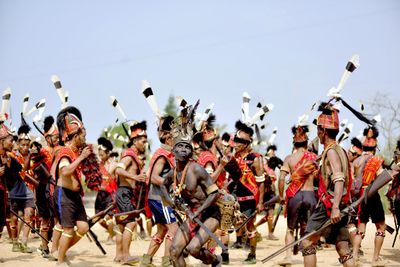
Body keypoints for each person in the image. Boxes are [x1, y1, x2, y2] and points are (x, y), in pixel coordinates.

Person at [161, 104, 222, 267]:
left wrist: (199, 212)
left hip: (210, 214)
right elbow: (162, 187)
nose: (182, 150)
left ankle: (215, 261)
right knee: (175, 251)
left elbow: (214, 193)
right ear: (173, 150)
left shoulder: (197, 170)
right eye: (179, 146)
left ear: (191, 152)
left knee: (194, 249)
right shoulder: (172, 173)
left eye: (186, 147)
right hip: (192, 215)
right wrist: (170, 201)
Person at [301, 102, 355, 267]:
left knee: (307, 242)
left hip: (330, 206)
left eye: (318, 130)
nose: (317, 134)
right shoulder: (340, 150)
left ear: (323, 131)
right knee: (342, 245)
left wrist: (336, 207)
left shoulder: (331, 152)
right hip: (339, 204)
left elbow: (339, 179)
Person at [52, 106, 91, 266]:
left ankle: (62, 250)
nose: (85, 138)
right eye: (83, 135)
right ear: (75, 136)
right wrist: (81, 158)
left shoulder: (75, 151)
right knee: (67, 229)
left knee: (83, 228)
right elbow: (65, 171)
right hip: (65, 195)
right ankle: (60, 261)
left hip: (74, 196)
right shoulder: (65, 152)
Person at [277, 124, 318, 265]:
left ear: (294, 143)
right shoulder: (314, 158)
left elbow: (281, 178)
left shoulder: (289, 158)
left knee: (290, 228)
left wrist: (282, 197)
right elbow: (321, 178)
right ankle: (309, 255)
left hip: (295, 196)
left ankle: (288, 257)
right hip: (310, 195)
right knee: (309, 227)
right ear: (307, 143)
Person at [141, 115, 178, 267]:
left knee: (162, 230)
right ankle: (167, 262)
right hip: (160, 197)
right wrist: (172, 186)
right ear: (168, 137)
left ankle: (146, 261)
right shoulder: (162, 155)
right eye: (176, 135)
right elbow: (154, 177)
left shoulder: (168, 154)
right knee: (173, 229)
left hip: (159, 197)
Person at [228, 120, 265, 264]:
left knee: (250, 226)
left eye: (239, 141)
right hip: (235, 197)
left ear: (246, 143)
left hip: (249, 198)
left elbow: (261, 182)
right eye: (235, 140)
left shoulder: (255, 158)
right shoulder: (234, 158)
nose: (235, 143)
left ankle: (252, 254)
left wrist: (260, 202)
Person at [351, 126, 389, 266]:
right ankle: (375, 259)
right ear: (375, 146)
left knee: (361, 228)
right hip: (372, 195)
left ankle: (354, 257)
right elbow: (381, 179)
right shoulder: (376, 160)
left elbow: (354, 181)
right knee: (381, 227)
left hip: (361, 196)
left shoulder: (356, 161)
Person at [114, 121, 147, 265]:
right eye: (143, 141)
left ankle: (119, 256)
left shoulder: (134, 156)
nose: (145, 144)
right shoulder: (129, 154)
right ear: (135, 140)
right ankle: (126, 256)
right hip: (124, 193)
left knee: (122, 225)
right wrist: (135, 177)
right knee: (131, 223)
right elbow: (118, 170)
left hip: (126, 193)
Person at [7, 123, 36, 253]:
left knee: (28, 215)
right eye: (22, 145)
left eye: (27, 145)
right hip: (14, 191)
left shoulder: (33, 155)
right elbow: (23, 169)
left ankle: (24, 242)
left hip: (29, 192)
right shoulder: (12, 156)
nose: (25, 147)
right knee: (14, 218)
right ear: (18, 144)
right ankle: (14, 242)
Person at [95, 137, 117, 244]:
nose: (100, 157)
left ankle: (111, 237)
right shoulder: (99, 165)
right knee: (98, 219)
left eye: (102, 155)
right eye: (99, 155)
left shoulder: (113, 165)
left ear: (108, 153)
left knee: (109, 216)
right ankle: (112, 232)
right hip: (100, 195)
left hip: (110, 195)